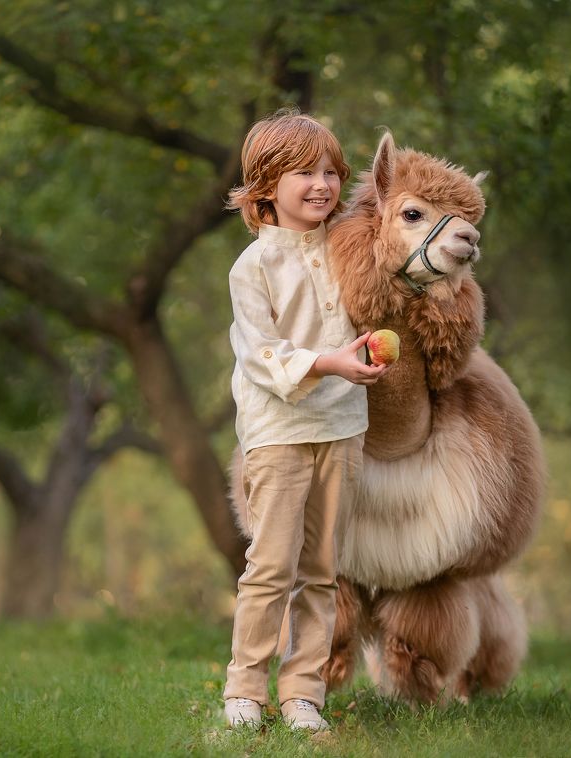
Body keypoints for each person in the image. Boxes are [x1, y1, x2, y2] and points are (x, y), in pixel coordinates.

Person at [223, 109, 386, 732]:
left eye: (329, 172)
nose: (321, 184)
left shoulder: (349, 251)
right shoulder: (253, 266)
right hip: (279, 432)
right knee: (271, 566)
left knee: (323, 571)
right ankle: (245, 688)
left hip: (343, 428)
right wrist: (332, 362)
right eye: (302, 173)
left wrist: (367, 355)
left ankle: (302, 694)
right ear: (266, 185)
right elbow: (261, 354)